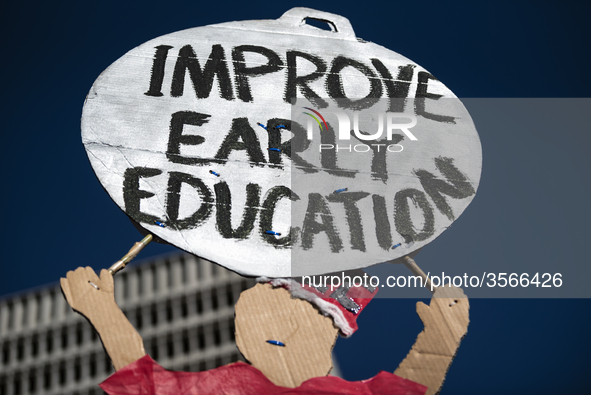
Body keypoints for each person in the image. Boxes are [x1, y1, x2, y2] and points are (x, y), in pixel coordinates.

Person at [61, 266, 469, 395]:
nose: (280, 330)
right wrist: (102, 311)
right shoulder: (230, 384)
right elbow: (147, 385)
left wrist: (442, 338)